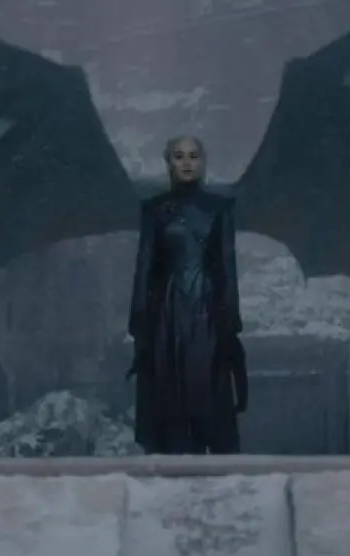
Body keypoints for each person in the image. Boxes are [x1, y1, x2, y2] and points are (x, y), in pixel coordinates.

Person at [127, 135, 248, 455]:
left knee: (210, 394)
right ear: (168, 162)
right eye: (179, 156)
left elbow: (227, 267)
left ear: (203, 162)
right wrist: (140, 325)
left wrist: (231, 323)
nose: (186, 163)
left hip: (208, 313)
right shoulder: (154, 209)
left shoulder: (220, 208)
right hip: (167, 316)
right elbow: (145, 267)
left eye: (193, 156)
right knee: (170, 401)